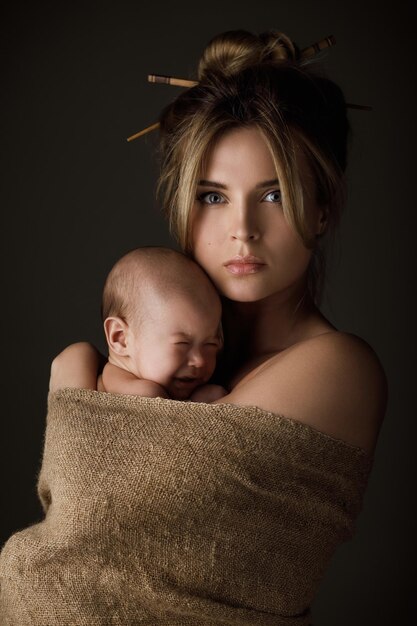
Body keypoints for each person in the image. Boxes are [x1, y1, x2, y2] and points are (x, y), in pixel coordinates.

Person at [1, 29, 388, 624]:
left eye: (275, 194)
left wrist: (80, 379)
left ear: (323, 207)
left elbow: (101, 513)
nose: (242, 229)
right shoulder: (165, 338)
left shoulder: (336, 367)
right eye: (212, 196)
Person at [98, 245, 226, 402]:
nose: (199, 360)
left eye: (211, 345)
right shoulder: (144, 395)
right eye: (182, 343)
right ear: (121, 338)